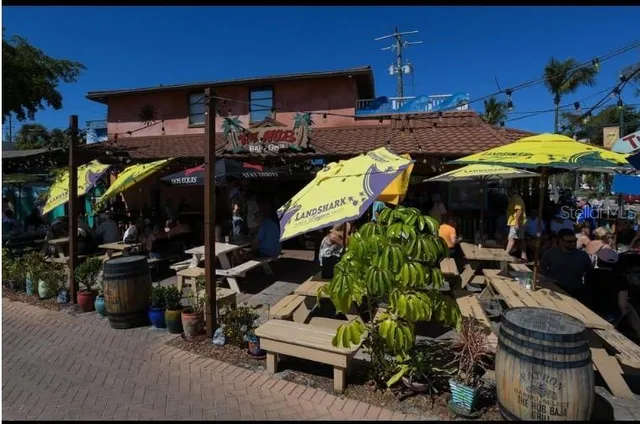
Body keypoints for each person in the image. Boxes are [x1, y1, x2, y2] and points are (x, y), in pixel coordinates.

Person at [584, 247, 640, 341]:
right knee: (629, 307)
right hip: (611, 314)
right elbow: (623, 305)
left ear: (598, 260)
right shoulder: (620, 278)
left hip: (591, 309)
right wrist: (625, 317)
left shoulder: (589, 274)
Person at [540, 228, 592, 300]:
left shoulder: (582, 255)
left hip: (576, 291)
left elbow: (589, 272)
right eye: (569, 242)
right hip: (555, 291)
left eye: (574, 241)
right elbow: (541, 269)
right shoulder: (550, 253)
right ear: (560, 241)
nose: (573, 243)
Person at [505, 188, 527, 261]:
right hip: (517, 222)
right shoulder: (514, 199)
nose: (507, 194)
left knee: (511, 239)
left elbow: (519, 210)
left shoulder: (517, 199)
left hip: (517, 222)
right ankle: (523, 256)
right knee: (521, 239)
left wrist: (516, 222)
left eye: (508, 192)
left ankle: (505, 255)